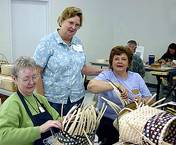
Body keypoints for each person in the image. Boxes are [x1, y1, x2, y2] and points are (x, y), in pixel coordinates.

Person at [33, 6, 102, 115]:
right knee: (53, 131)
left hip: (77, 98)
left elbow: (82, 68)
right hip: (53, 101)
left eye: (77, 25)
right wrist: (41, 100)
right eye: (70, 22)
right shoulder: (47, 42)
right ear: (61, 20)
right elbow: (36, 71)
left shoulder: (78, 42)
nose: (73, 27)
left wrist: (102, 71)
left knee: (72, 129)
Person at [87, 46, 152, 145]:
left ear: (129, 63)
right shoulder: (107, 75)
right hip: (109, 120)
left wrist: (142, 101)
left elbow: (150, 98)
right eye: (116, 59)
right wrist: (114, 85)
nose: (120, 61)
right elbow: (91, 86)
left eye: (124, 59)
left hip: (132, 120)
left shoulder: (136, 77)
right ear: (111, 62)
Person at [0, 56, 62, 145]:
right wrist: (39, 129)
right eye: (26, 79)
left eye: (34, 77)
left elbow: (56, 118)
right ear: (14, 79)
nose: (32, 82)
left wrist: (68, 120)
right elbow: (3, 137)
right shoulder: (12, 104)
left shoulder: (41, 99)